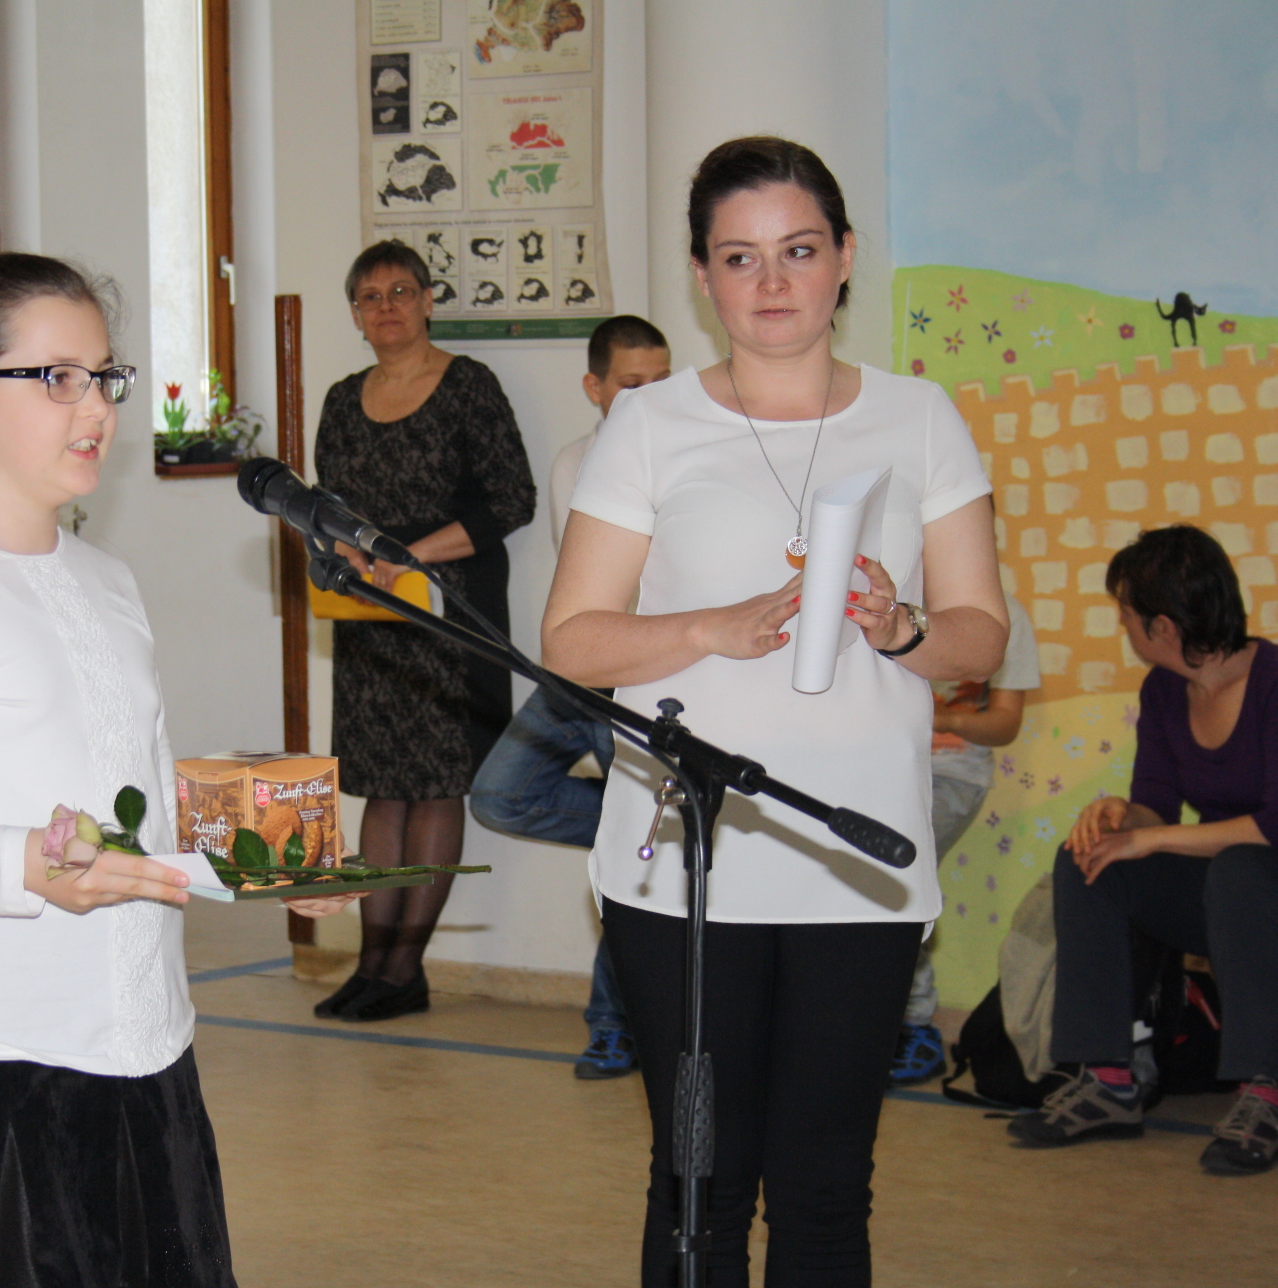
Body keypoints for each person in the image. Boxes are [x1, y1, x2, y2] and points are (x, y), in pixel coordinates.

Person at [0, 253, 353, 1284]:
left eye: (103, 377)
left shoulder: (107, 581)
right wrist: (24, 865)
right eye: (57, 378)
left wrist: (256, 862)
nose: (96, 408)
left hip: (150, 1059)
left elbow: (128, 818)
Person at [542, 136, 1008, 1286]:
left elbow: (979, 636)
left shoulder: (919, 416)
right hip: (685, 865)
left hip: (858, 854)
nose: (771, 282)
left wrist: (897, 625)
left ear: (843, 257)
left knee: (823, 1185)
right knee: (698, 1180)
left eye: (797, 250)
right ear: (702, 275)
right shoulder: (647, 425)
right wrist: (711, 625)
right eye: (738, 257)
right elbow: (572, 640)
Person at [311, 240, 537, 1023]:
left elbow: (511, 500)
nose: (387, 307)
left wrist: (411, 556)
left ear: (428, 300)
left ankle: (405, 970)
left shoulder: (470, 385)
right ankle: (372, 966)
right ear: (355, 314)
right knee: (383, 786)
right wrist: (345, 551)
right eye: (370, 297)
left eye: (401, 291)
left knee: (437, 786)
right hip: (371, 613)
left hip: (451, 611)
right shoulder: (342, 399)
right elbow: (328, 504)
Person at [1008, 526, 1278, 1176]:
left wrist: (1151, 836)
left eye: (1126, 613)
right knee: (1092, 859)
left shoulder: (1274, 681)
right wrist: (1120, 817)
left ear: (1163, 626)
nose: (1123, 626)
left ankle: (1264, 1093)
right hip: (1229, 892)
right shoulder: (1163, 690)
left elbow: (1273, 826)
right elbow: (1155, 801)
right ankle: (1108, 1081)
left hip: (1256, 884)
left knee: (1241, 870)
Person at [468, 315, 670, 1079]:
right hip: (580, 676)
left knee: (628, 859)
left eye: (663, 382)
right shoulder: (574, 463)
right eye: (633, 385)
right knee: (499, 797)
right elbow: (590, 590)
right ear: (595, 387)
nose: (651, 397)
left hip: (649, 683)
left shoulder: (692, 459)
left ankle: (612, 1025)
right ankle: (652, 829)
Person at [891, 592, 1040, 1084]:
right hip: (875, 763)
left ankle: (913, 1024)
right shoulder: (880, 594)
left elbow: (1004, 723)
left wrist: (942, 719)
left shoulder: (1003, 612)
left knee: (899, 875)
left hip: (951, 771)